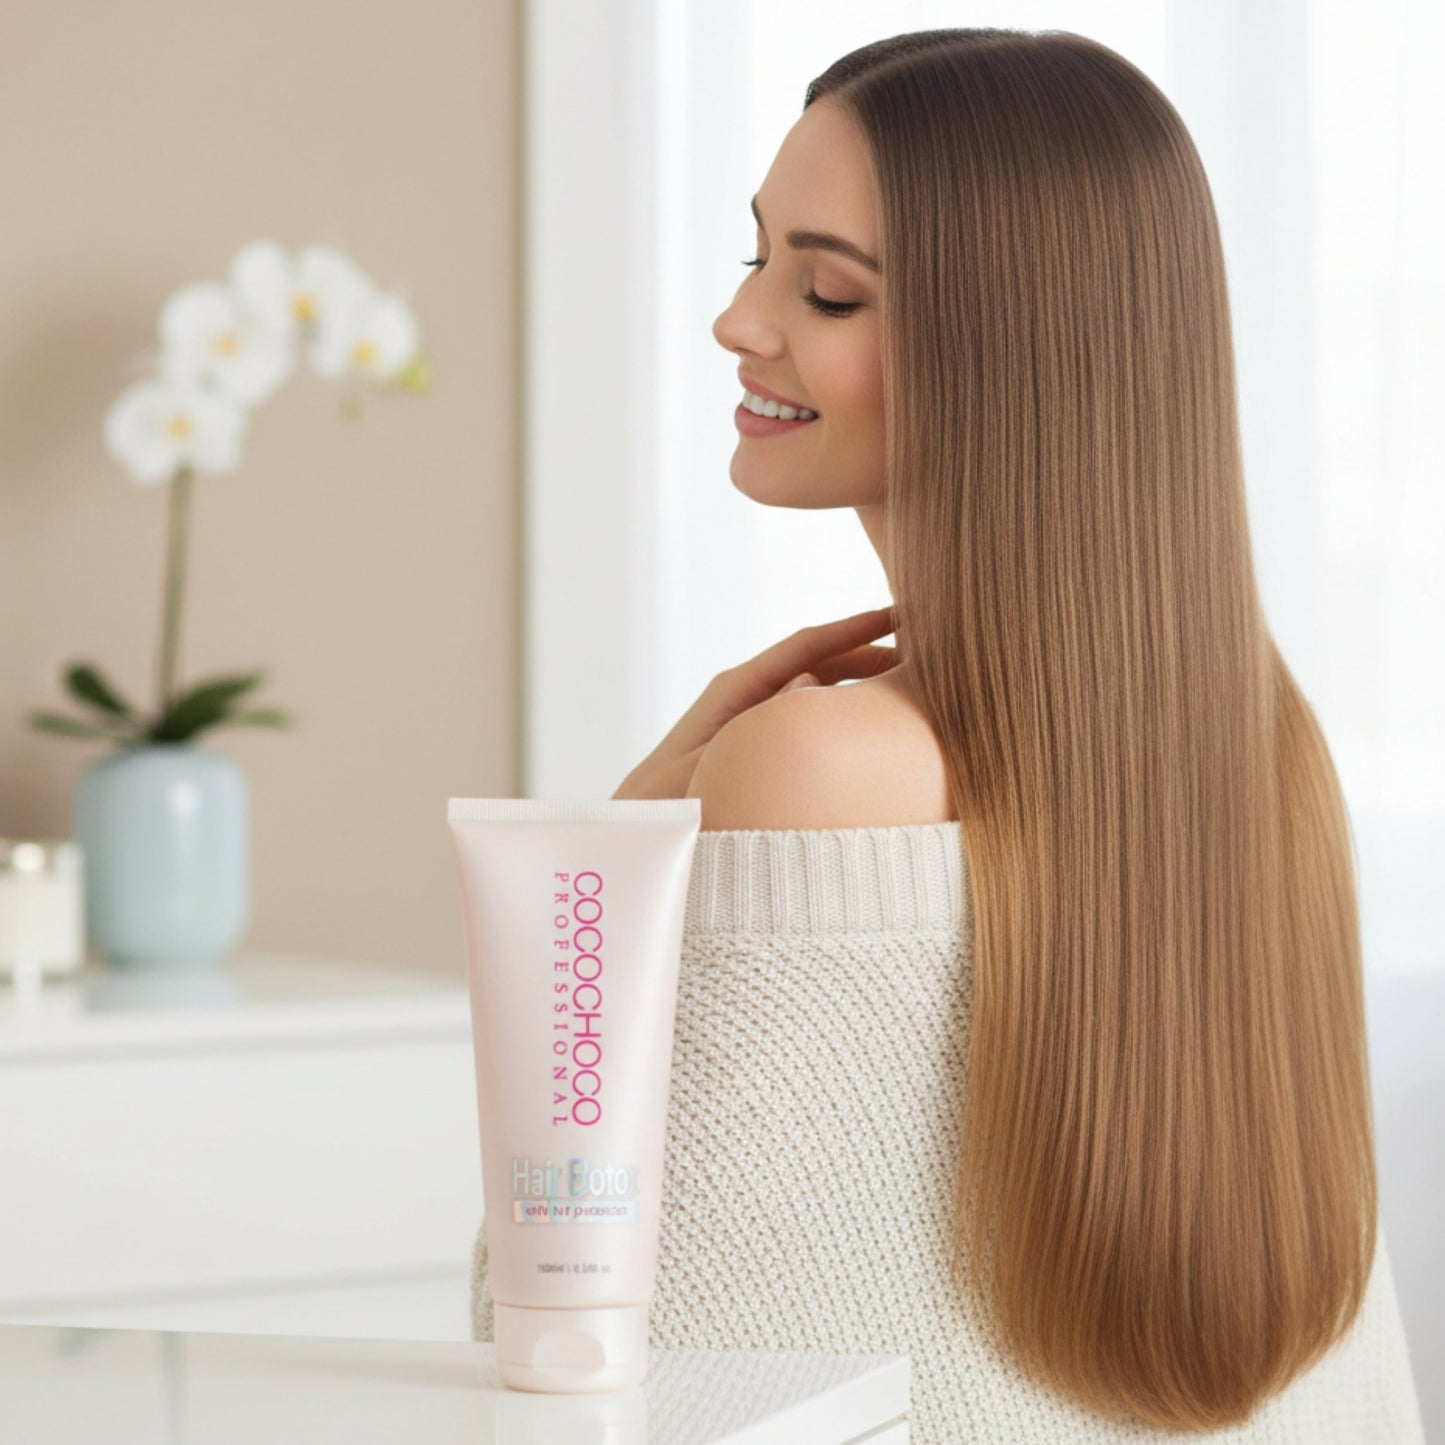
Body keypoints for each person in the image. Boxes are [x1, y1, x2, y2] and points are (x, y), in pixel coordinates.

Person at [473, 29, 1427, 1440]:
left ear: (1012, 344)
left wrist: (620, 842)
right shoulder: (1266, 746)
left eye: (827, 290)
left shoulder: (815, 765)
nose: (742, 323)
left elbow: (571, 1340)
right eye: (755, 258)